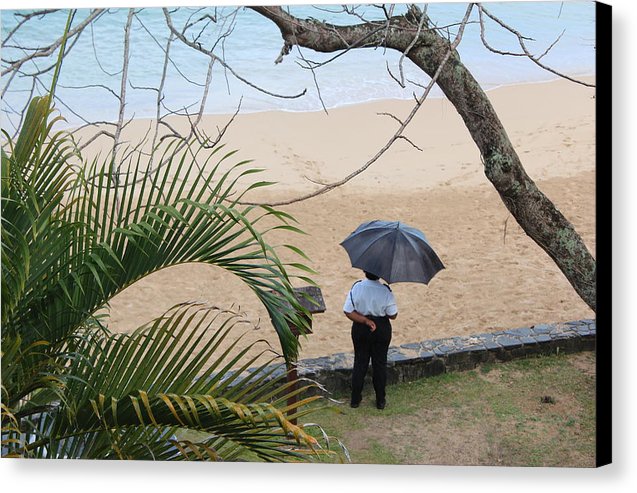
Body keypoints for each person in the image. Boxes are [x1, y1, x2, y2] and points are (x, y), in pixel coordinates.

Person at [343, 271, 398, 410]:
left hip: (361, 328)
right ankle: (380, 400)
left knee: (360, 362)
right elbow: (393, 315)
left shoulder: (357, 287)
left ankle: (355, 399)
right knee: (380, 364)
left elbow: (348, 311)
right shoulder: (385, 291)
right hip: (381, 329)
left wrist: (365, 321)